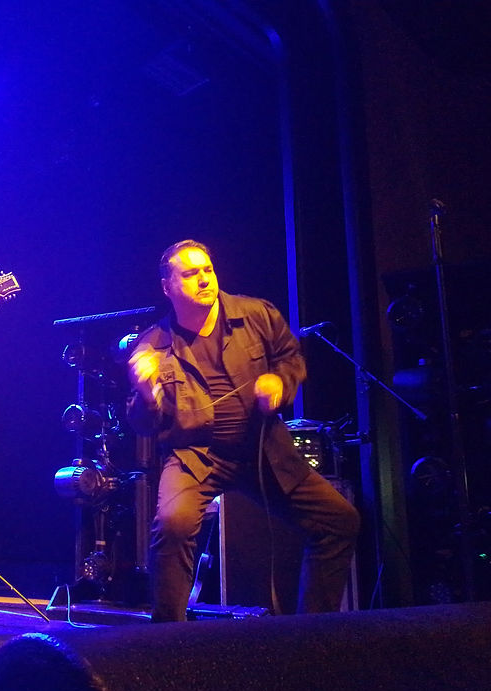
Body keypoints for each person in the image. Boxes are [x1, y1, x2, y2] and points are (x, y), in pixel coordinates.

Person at [126, 239, 359, 623]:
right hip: (195, 456)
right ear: (167, 287)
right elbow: (143, 424)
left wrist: (280, 382)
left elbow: (290, 357)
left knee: (340, 522)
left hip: (262, 449)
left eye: (208, 270)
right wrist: (146, 394)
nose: (204, 280)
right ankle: (167, 639)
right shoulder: (153, 345)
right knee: (172, 524)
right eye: (191, 274)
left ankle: (312, 633)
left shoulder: (257, 314)